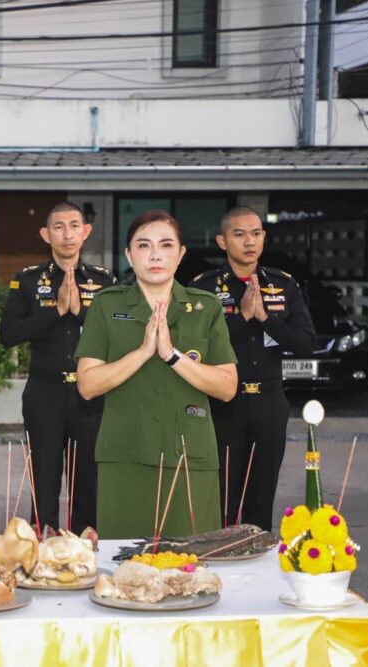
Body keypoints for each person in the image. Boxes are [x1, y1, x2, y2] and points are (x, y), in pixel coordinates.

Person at [76, 209, 238, 539]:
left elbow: (227, 387)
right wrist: (142, 352)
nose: (154, 255)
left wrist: (171, 355)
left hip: (189, 456)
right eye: (143, 245)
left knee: (190, 559)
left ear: (180, 254)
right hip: (125, 455)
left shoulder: (205, 307)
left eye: (165, 245)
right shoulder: (107, 305)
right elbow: (88, 385)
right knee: (124, 561)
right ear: (129, 255)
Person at [190, 207, 315, 531]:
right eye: (240, 234)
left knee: (261, 496)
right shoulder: (204, 288)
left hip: (269, 403)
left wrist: (265, 318)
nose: (250, 241)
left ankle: (257, 558)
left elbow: (305, 344)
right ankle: (219, 555)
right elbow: (194, 349)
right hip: (223, 404)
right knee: (221, 496)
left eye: (256, 234)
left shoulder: (283, 285)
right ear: (222, 241)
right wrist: (242, 318)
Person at [0, 202, 114, 533]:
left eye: (74, 226)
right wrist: (56, 311)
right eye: (59, 227)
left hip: (89, 394)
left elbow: (117, 333)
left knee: (88, 482)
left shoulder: (103, 281)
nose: (67, 234)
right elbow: (9, 333)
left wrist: (80, 312)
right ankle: (43, 545)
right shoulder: (28, 280)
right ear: (45, 234)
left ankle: (84, 547)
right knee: (44, 478)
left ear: (86, 232)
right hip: (44, 392)